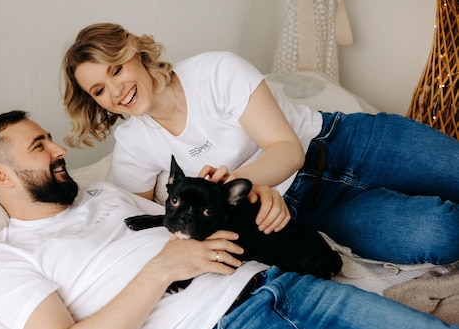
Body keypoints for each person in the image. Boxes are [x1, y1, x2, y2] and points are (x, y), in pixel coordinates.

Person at [0, 110, 459, 329]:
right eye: (39, 147)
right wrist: (162, 269)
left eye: (50, 138)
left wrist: (240, 192)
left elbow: (195, 206)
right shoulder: (9, 259)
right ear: (1, 176)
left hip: (283, 288)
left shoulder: (104, 193)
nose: (59, 149)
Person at [62, 22, 459, 266]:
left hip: (344, 142)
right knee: (442, 233)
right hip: (310, 209)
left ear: (135, 55)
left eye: (117, 69)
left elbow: (287, 148)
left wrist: (235, 182)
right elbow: (154, 220)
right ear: (93, 101)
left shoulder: (215, 71)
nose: (116, 90)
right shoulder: (132, 145)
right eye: (99, 89)